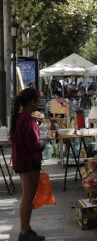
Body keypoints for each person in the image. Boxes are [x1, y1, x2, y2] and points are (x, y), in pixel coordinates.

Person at [9, 88, 45, 241]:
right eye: (38, 100)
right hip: (28, 162)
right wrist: (42, 144)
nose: (40, 103)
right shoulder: (28, 120)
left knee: (27, 196)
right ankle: (24, 232)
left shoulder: (20, 117)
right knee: (28, 197)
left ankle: (26, 228)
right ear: (32, 102)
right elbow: (34, 145)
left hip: (23, 160)